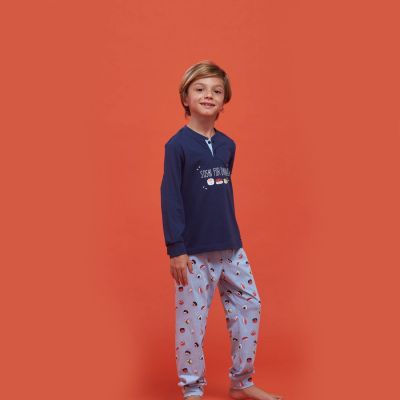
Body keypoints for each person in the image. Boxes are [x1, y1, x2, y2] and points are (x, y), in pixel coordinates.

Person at [160, 60, 283, 400]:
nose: (208, 95)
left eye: (216, 90)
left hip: (231, 245)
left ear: (224, 101)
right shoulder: (177, 146)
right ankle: (192, 389)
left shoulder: (228, 145)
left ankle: (241, 382)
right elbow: (171, 197)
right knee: (192, 323)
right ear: (185, 98)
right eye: (200, 89)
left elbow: (219, 193)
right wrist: (176, 248)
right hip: (193, 252)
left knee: (249, 307)